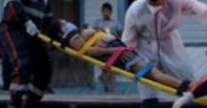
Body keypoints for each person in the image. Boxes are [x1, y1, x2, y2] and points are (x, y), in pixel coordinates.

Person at [0, 0, 61, 108]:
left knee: (44, 68)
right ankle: (14, 105)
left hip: (34, 33)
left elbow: (48, 19)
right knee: (23, 63)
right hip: (14, 29)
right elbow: (12, 5)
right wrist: (25, 21)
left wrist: (57, 36)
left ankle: (30, 105)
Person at [56, 20, 189, 92]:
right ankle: (182, 85)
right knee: (154, 75)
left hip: (125, 54)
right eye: (75, 41)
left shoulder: (86, 37)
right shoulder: (88, 49)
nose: (78, 40)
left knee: (154, 74)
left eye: (78, 38)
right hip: (124, 57)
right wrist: (119, 49)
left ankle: (182, 85)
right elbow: (104, 52)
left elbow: (82, 32)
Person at [90, 2, 121, 92]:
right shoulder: (98, 22)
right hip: (101, 48)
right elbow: (92, 34)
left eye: (107, 11)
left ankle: (113, 89)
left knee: (112, 69)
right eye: (104, 11)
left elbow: (120, 35)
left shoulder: (115, 23)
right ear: (102, 12)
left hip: (112, 47)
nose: (105, 13)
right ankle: (107, 86)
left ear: (111, 12)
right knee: (106, 68)